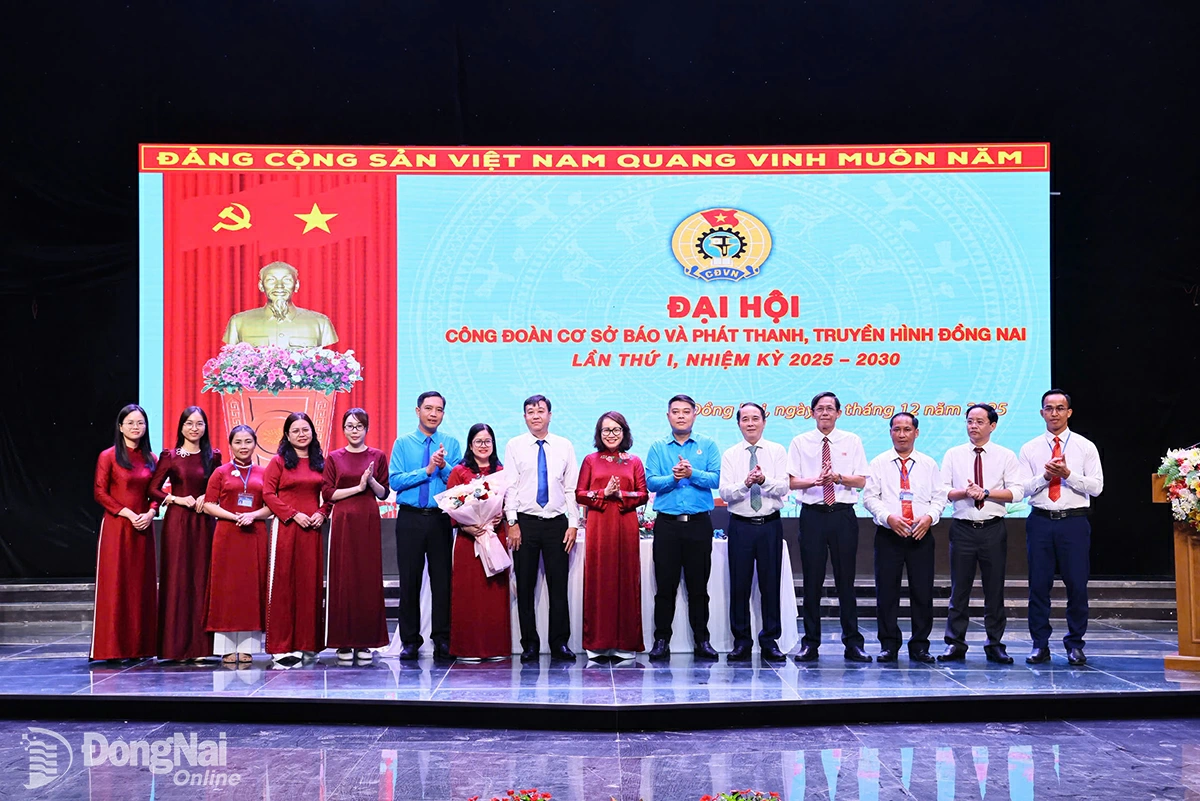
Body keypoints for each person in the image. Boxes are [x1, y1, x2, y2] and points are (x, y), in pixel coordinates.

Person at [1018, 389, 1103, 666]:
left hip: (1074, 522)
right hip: (1041, 521)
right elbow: (1021, 489)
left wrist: (1068, 474)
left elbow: (1097, 487)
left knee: (1077, 585)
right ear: (1041, 412)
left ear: (1069, 412)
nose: (1054, 413)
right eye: (1049, 408)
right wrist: (1045, 476)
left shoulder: (1085, 446)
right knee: (1038, 586)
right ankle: (1039, 645)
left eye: (1059, 408)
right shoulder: (1030, 448)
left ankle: (1075, 644)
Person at [787, 391, 871, 663]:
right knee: (812, 581)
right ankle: (810, 643)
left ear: (838, 413)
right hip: (812, 515)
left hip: (842, 515)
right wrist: (815, 481)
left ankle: (853, 643)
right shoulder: (800, 442)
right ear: (812, 413)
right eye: (820, 409)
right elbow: (791, 482)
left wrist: (838, 477)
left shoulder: (852, 440)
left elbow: (861, 481)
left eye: (830, 408)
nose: (825, 413)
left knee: (846, 581)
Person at [938, 403, 1024, 664]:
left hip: (992, 529)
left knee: (994, 590)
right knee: (959, 590)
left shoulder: (1005, 455)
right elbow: (942, 491)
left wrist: (985, 492)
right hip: (962, 529)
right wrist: (966, 492)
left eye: (979, 422)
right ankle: (955, 644)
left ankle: (995, 644)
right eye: (969, 421)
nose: (973, 426)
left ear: (992, 425)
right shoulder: (953, 454)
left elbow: (1017, 492)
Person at [862, 413, 947, 664]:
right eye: (896, 429)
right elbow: (869, 497)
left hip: (920, 534)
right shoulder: (879, 463)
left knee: (922, 592)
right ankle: (889, 645)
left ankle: (920, 646)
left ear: (916, 433)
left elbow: (939, 497)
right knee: (887, 593)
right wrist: (888, 517)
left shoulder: (928, 464)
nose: (901, 434)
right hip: (889, 534)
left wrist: (929, 518)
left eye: (907, 429)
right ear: (890, 432)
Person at [503, 394, 581, 663]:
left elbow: (570, 489)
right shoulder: (514, 445)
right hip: (525, 523)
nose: (535, 416)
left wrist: (573, 524)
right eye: (530, 411)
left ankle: (560, 643)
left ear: (550, 415)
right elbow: (510, 487)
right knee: (525, 588)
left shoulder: (564, 445)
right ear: (524, 416)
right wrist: (512, 522)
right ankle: (529, 644)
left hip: (557, 524)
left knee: (558, 587)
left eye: (540, 411)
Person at [645, 394, 722, 661]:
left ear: (694, 415)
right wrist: (674, 478)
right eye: (675, 411)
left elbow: (716, 479)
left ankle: (702, 640)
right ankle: (661, 640)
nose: (680, 416)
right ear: (668, 416)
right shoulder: (658, 447)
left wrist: (692, 474)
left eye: (686, 411)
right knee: (665, 587)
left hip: (699, 525)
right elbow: (651, 482)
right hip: (667, 525)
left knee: (698, 588)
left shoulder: (707, 445)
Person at [388, 391, 462, 661]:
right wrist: (428, 470)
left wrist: (443, 466)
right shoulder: (403, 443)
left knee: (442, 581)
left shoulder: (451, 443)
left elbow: (459, 482)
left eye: (439, 410)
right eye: (428, 408)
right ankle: (410, 641)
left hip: (441, 519)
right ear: (417, 411)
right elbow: (395, 481)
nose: (433, 414)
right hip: (410, 518)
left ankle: (442, 639)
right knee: (410, 580)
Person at [718, 402, 791, 662]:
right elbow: (725, 492)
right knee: (739, 586)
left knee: (770, 585)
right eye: (745, 419)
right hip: (741, 526)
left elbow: (784, 487)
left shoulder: (777, 451)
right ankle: (741, 642)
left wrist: (763, 480)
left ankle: (770, 640)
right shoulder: (730, 454)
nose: (750, 423)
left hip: (770, 525)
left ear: (764, 421)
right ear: (738, 423)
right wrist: (746, 483)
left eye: (755, 418)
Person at [149, 406, 221, 662]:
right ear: (181, 427)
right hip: (178, 523)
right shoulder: (170, 456)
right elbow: (153, 489)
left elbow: (219, 487)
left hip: (204, 522)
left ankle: (203, 648)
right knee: (178, 578)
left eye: (199, 424)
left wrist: (207, 497)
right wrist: (176, 499)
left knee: (202, 578)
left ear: (205, 427)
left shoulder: (213, 455)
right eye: (189, 423)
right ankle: (176, 648)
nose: (194, 428)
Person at [576, 412, 648, 660]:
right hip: (599, 525)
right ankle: (597, 642)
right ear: (599, 433)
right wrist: (602, 493)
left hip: (625, 524)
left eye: (616, 429)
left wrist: (621, 495)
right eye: (606, 430)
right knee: (599, 579)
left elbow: (643, 494)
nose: (611, 434)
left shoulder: (634, 461)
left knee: (626, 578)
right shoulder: (590, 460)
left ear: (624, 432)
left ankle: (625, 643)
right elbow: (580, 494)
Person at [90, 404, 158, 661]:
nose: (135, 427)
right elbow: (100, 492)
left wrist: (151, 513)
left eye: (140, 423)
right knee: (116, 584)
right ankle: (112, 649)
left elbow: (155, 492)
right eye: (130, 423)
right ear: (120, 427)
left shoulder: (151, 459)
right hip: (118, 527)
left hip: (143, 527)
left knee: (141, 586)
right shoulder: (108, 456)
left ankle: (140, 647)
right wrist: (128, 513)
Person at [323, 408, 391, 662]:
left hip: (368, 518)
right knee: (344, 577)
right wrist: (358, 487)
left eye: (359, 426)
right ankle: (343, 642)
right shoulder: (334, 457)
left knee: (367, 577)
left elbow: (383, 493)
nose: (354, 431)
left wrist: (370, 482)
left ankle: (365, 642)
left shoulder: (377, 456)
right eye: (350, 426)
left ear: (366, 429)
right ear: (343, 429)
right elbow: (328, 493)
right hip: (343, 519)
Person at [262, 412, 328, 665]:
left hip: (312, 530)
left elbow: (329, 494)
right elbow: (268, 494)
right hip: (287, 528)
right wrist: (292, 514)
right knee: (283, 584)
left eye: (305, 429)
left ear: (312, 432)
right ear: (287, 436)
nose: (302, 434)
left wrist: (322, 513)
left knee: (309, 585)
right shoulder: (279, 462)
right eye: (296, 431)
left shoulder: (320, 462)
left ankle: (307, 643)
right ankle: (281, 645)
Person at [204, 425, 273, 663]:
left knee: (251, 588)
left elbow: (271, 505)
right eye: (238, 442)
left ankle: (248, 647)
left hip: (254, 534)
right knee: (226, 588)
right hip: (227, 534)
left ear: (255, 443)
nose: (243, 447)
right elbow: (208, 504)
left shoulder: (265, 472)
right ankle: (225, 647)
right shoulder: (220, 472)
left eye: (248, 442)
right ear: (230, 445)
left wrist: (253, 515)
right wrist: (233, 516)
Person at [448, 423, 513, 660]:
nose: (483, 446)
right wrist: (466, 525)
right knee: (468, 593)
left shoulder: (502, 472)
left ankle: (496, 648)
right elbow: (450, 507)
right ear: (470, 444)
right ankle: (468, 648)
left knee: (494, 593)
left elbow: (510, 502)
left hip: (495, 535)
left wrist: (502, 514)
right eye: (478, 441)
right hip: (468, 539)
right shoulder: (459, 472)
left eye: (487, 441)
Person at [222, 261, 338, 348]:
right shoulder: (239, 322)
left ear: (296, 285)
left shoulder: (320, 323)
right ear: (261, 286)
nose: (279, 286)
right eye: (271, 280)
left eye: (287, 280)